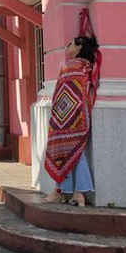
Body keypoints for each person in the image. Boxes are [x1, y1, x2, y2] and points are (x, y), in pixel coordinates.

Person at [43, 35, 100, 207]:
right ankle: (79, 194)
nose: (68, 48)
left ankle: (59, 192)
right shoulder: (87, 67)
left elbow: (61, 94)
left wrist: (58, 117)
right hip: (81, 115)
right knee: (77, 153)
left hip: (65, 118)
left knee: (62, 153)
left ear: (79, 48)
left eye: (71, 45)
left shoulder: (70, 67)